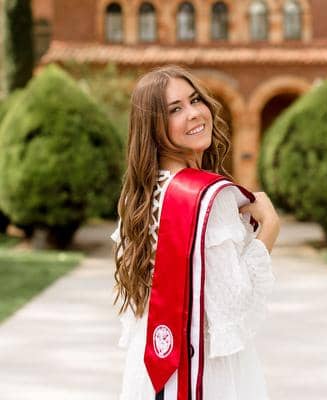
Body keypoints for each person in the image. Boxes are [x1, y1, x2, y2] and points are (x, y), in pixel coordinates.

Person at [111, 64, 280, 400]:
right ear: (153, 127)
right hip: (204, 372)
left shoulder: (141, 195)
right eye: (175, 109)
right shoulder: (209, 197)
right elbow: (234, 302)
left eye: (195, 100)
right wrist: (270, 227)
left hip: (152, 365)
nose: (193, 113)